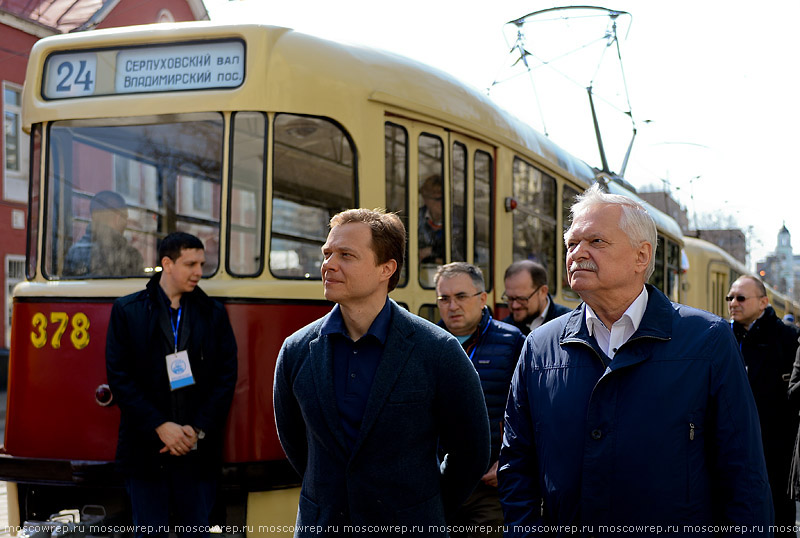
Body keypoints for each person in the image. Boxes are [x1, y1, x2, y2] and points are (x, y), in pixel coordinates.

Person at [498, 183, 772, 536]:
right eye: (571, 244)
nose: (577, 253)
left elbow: (744, 473)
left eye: (596, 241)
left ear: (641, 256)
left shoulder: (708, 340)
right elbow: (516, 464)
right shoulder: (539, 346)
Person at [274, 208, 490, 537]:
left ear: (386, 269)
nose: (328, 265)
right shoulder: (296, 350)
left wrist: (424, 511)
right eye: (327, 253)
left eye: (346, 255)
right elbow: (297, 445)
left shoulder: (437, 350)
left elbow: (471, 452)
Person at [106, 232, 238, 538]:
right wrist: (160, 425)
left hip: (197, 451)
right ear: (167, 263)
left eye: (201, 264)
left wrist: (196, 430)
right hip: (145, 451)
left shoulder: (213, 313)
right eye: (190, 263)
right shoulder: (128, 311)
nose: (199, 272)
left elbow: (226, 376)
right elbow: (120, 378)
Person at [434, 262, 524, 538]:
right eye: (444, 299)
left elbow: (530, 413)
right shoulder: (427, 342)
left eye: (461, 297)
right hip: (438, 484)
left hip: (488, 486)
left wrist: (509, 462)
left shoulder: (512, 342)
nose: (452, 306)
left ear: (482, 299)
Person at [728, 276, 799, 536]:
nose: (733, 303)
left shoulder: (788, 339)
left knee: (779, 521)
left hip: (777, 452)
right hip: (732, 450)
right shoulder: (721, 336)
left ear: (763, 303)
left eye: (741, 298)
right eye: (730, 298)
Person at [65, 190, 144, 277]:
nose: (126, 223)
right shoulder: (131, 256)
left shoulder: (74, 252)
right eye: (125, 218)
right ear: (117, 218)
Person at [501, 260, 571, 335]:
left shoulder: (569, 324)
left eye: (521, 299)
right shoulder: (503, 331)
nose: (514, 305)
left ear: (543, 292)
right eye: (510, 299)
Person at [419, 175, 445, 265]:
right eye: (438, 199)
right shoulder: (416, 218)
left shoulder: (459, 219)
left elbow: (457, 253)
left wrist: (431, 251)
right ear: (426, 199)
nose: (443, 203)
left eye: (445, 198)